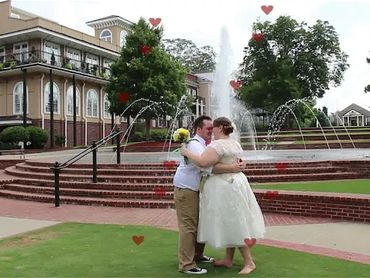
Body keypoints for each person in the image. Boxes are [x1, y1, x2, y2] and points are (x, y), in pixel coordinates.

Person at [181, 116, 266, 275]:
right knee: (231, 219)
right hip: (237, 183)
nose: (211, 130)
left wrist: (186, 152)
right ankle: (228, 258)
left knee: (234, 221)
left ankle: (249, 261)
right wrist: (237, 166)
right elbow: (237, 161)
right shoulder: (234, 142)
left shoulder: (217, 145)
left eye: (213, 127)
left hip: (226, 186)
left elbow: (203, 163)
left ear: (219, 128)